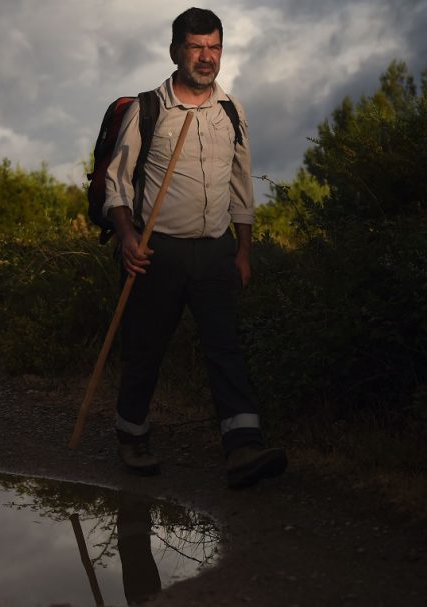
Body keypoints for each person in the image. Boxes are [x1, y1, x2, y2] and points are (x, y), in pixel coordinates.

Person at [103, 8, 286, 488]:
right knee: (145, 350)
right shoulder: (150, 109)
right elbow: (117, 184)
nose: (207, 57)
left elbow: (242, 186)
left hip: (215, 252)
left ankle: (243, 448)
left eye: (215, 47)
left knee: (225, 349)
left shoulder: (231, 110)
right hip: (155, 251)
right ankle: (133, 436)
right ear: (175, 52)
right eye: (196, 47)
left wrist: (242, 252)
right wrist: (126, 238)